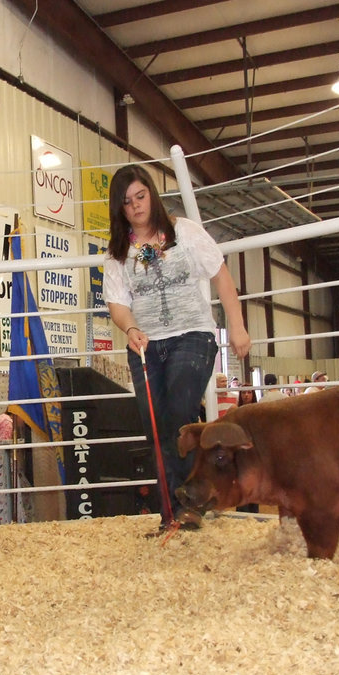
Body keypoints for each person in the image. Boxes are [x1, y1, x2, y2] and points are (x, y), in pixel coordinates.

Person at [103, 164, 251, 529]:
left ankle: (192, 504)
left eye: (141, 196)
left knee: (179, 417)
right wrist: (131, 326)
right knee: (156, 429)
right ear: (119, 209)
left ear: (151, 194)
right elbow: (117, 304)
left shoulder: (184, 232)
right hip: (145, 346)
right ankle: (172, 514)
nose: (137, 206)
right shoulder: (118, 253)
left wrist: (237, 326)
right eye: (127, 202)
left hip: (193, 336)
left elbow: (220, 274)